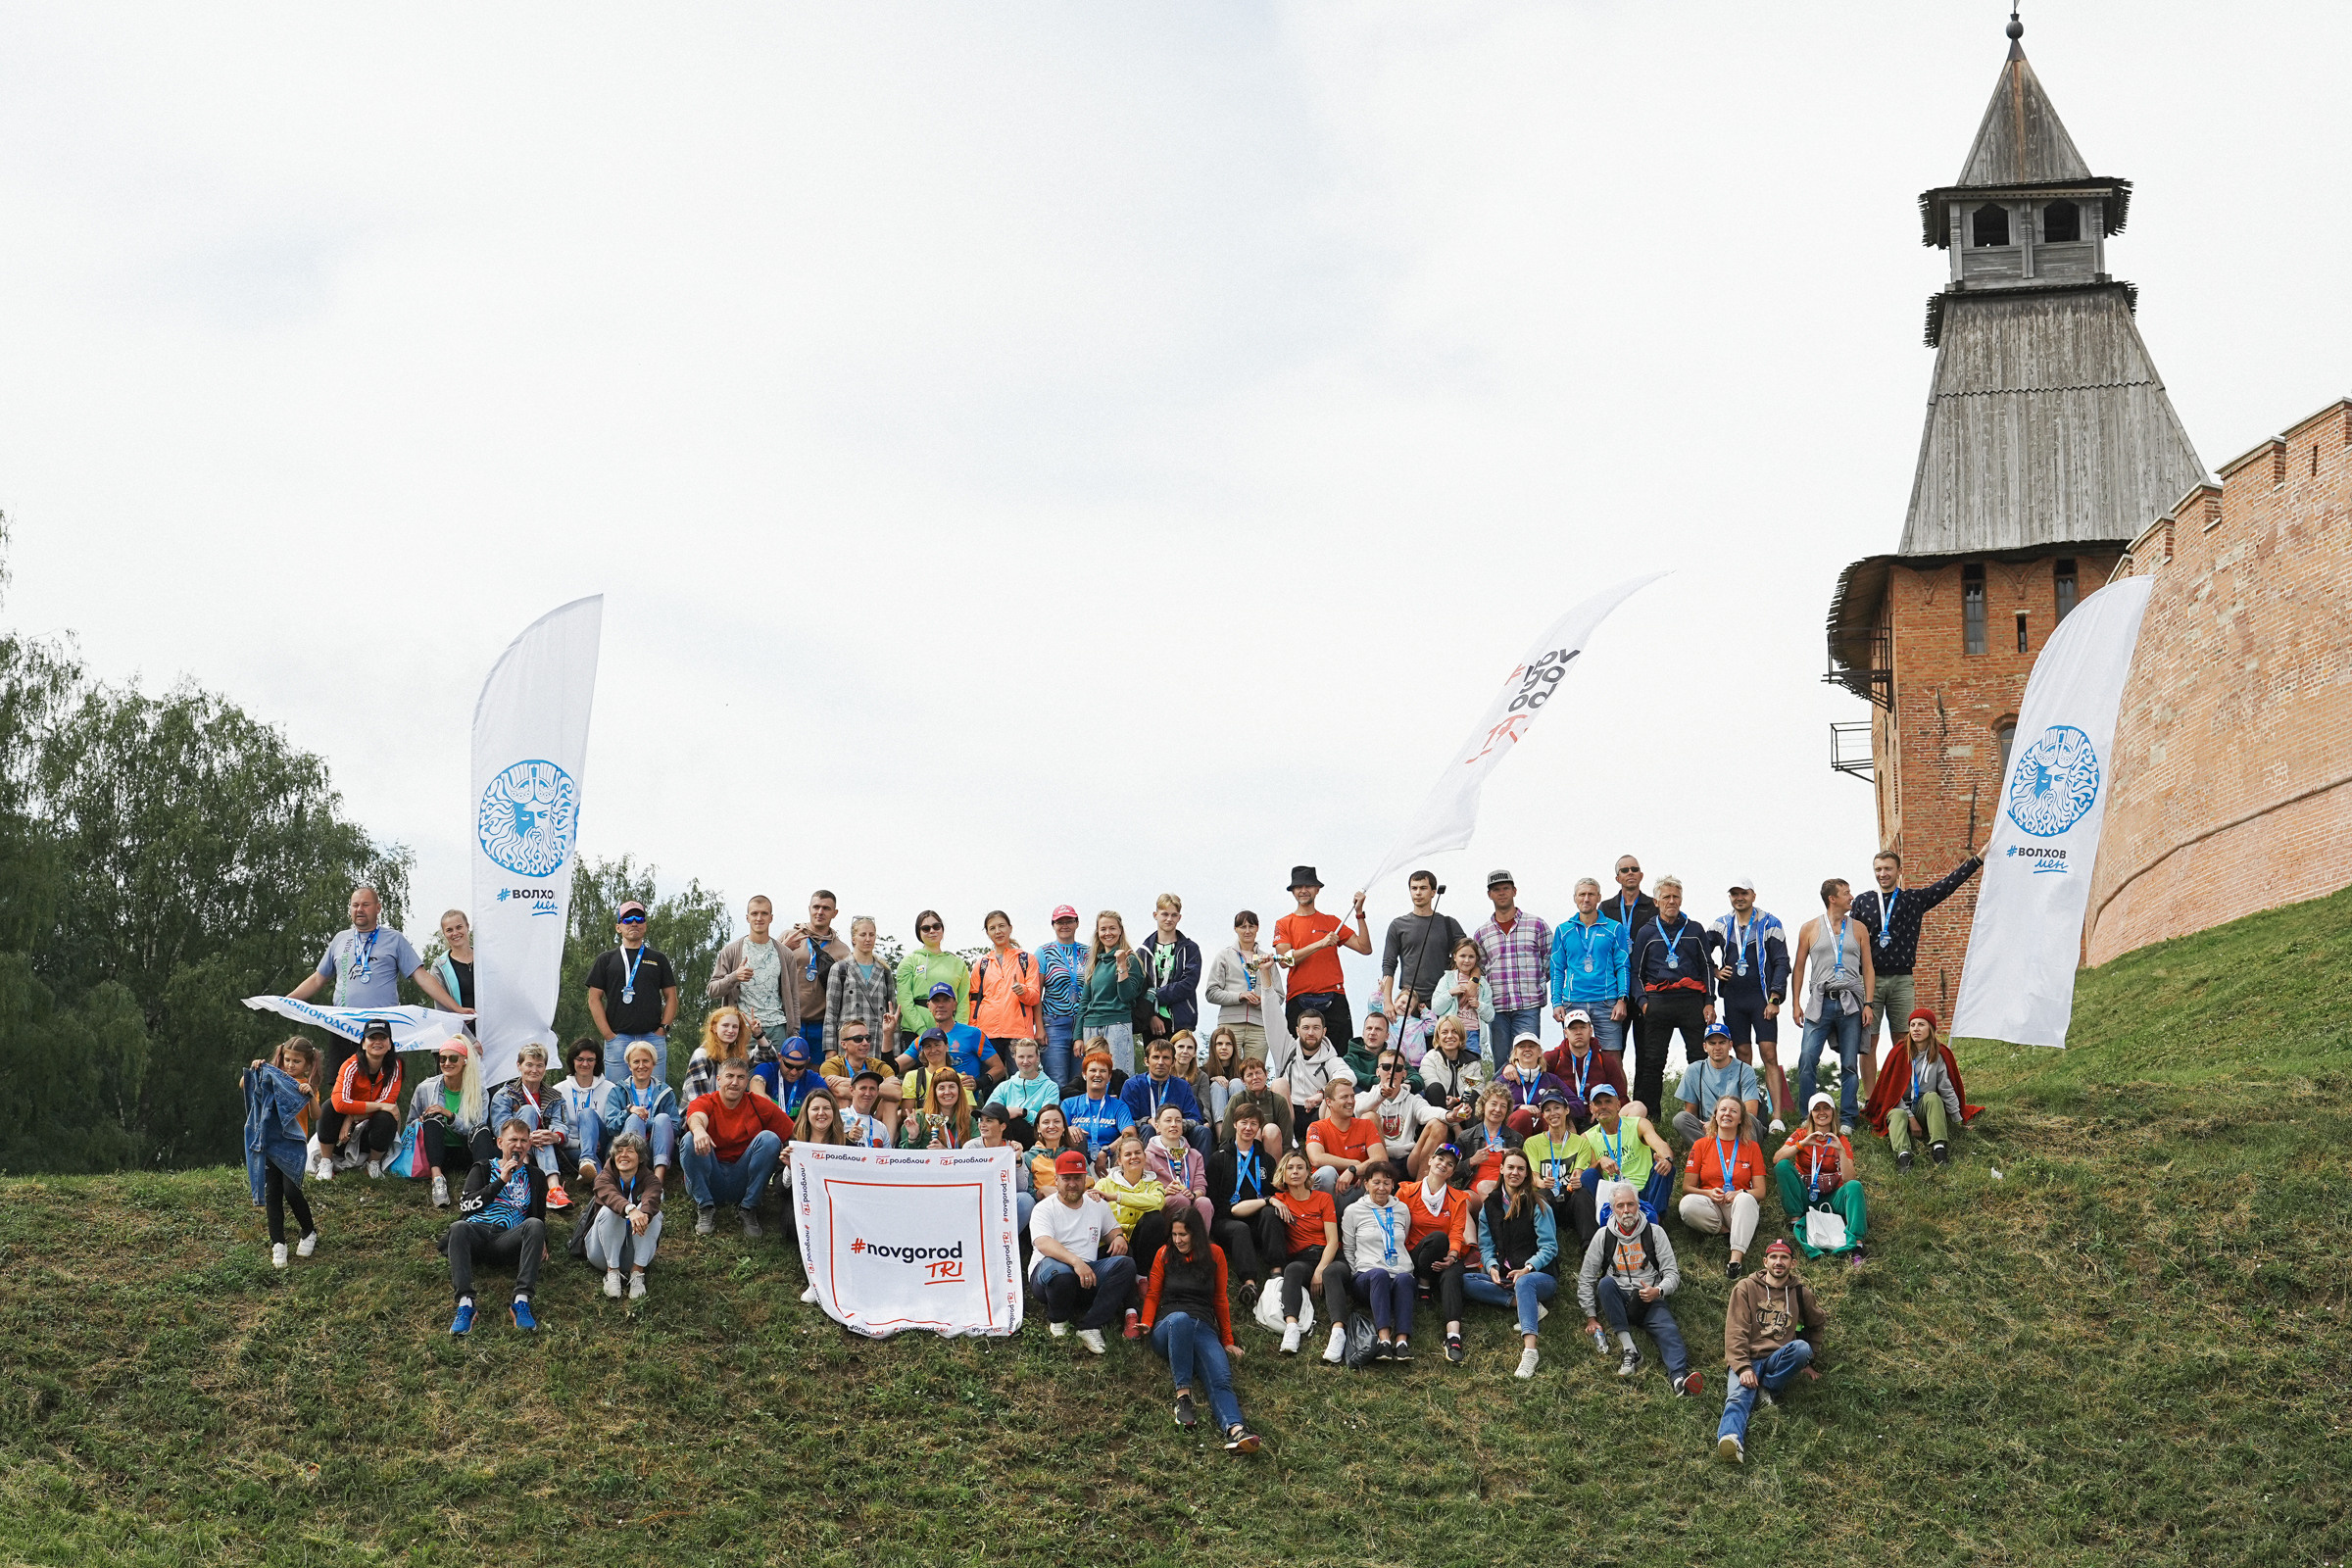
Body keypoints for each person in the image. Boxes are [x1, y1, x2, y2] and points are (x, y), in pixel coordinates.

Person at [285, 886, 466, 1078]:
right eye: (355, 905)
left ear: (378, 908)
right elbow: (317, 979)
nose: (359, 909)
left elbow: (422, 977)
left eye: (365, 904)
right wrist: (286, 1000)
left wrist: (456, 1008)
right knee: (342, 1087)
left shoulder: (394, 939)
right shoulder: (340, 939)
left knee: (382, 1085)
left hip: (381, 1029)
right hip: (343, 1026)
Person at [1853, 846, 1984, 1095]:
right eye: (1878, 869)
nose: (1883, 874)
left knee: (1904, 1041)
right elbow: (1849, 940)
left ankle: (1902, 1095)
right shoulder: (1863, 901)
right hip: (1870, 980)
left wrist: (1977, 859)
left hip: (1902, 980)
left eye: (1888, 869)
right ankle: (1870, 1099)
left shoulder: (1912, 900)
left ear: (1899, 871)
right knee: (1868, 1041)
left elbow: (1947, 885)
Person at [1138, 1209, 1261, 1452]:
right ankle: (1183, 1398)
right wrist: (1147, 1323)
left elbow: (1220, 1299)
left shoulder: (1215, 1255)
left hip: (1203, 1326)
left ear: (1196, 1233)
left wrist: (1227, 1340)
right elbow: (1153, 1294)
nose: (1177, 1240)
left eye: (1183, 1234)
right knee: (1181, 1319)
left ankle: (1237, 1431)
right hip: (1170, 1326)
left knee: (1221, 1377)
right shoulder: (1164, 1254)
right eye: (1173, 1234)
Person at [1577, 1180, 1703, 1394]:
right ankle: (1630, 1350)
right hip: (1616, 1296)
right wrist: (1591, 1316)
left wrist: (1659, 1291)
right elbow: (1586, 1277)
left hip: (1649, 1297)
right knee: (1605, 1283)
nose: (1626, 1210)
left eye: (1630, 1204)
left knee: (1670, 1331)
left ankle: (1679, 1379)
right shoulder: (1602, 1236)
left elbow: (1672, 1273)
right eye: (1620, 1206)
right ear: (1613, 1209)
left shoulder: (1655, 1233)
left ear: (1638, 1205)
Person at [1716, 1238, 1827, 1463]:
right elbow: (1735, 1331)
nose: (1779, 1262)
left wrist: (1809, 1359)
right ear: (1765, 1261)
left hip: (1778, 1357)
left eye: (1784, 1257)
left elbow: (1817, 1322)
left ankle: (1766, 1386)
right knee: (1738, 1397)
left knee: (1801, 1348)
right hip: (1748, 1357)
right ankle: (1731, 1439)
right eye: (1774, 1257)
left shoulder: (1799, 1293)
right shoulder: (1745, 1288)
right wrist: (1743, 1367)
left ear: (1793, 1264)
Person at [442, 1117, 549, 1336]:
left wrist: (541, 1240)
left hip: (507, 1238)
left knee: (536, 1225)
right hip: (477, 1233)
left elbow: (539, 1215)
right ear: (500, 1143)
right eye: (513, 1140)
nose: (518, 1145)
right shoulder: (483, 1167)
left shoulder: (535, 1176)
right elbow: (466, 1204)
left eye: (523, 1140)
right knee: (458, 1227)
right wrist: (500, 1181)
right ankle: (465, 1304)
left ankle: (521, 1300)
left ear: (529, 1145)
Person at [1462, 1150, 1558, 1379]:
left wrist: (1527, 1268)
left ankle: (1530, 1351)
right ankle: (1526, 1305)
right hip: (1505, 1275)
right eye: (1511, 1167)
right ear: (1502, 1170)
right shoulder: (1490, 1205)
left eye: (1520, 1169)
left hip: (1539, 1276)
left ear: (1526, 1174)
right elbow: (1485, 1245)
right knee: (1465, 1280)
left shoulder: (1539, 1205)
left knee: (1524, 1282)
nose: (1515, 1172)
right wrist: (1492, 1266)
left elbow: (1549, 1247)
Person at [1790, 878, 1876, 1134]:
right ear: (1833, 898)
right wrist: (1795, 1003)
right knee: (1807, 1059)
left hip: (1851, 1002)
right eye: (1847, 893)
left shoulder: (1859, 928)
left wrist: (1869, 1003)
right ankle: (1808, 1117)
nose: (1852, 897)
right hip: (1820, 1001)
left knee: (1849, 1063)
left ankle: (1848, 1118)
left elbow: (1869, 968)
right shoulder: (1809, 928)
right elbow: (1799, 967)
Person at [1030, 1150, 1137, 1353]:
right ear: (1056, 1180)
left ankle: (1090, 1325)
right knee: (1061, 1273)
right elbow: (1043, 1243)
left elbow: (1112, 1229)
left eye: (1077, 1178)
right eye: (1066, 1178)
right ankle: (1058, 1319)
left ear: (1085, 1180)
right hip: (1049, 1275)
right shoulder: (1044, 1208)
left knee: (1126, 1263)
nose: (1072, 1183)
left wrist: (1119, 1238)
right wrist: (1076, 1262)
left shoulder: (1097, 1205)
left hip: (1088, 1276)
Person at [1628, 875, 1715, 1120]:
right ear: (1656, 901)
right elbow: (1636, 972)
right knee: (1653, 1061)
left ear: (1682, 899)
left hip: (1691, 1000)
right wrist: (1643, 1002)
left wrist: (1710, 1000)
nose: (1671, 901)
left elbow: (1707, 965)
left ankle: (1702, 1116)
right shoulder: (1647, 931)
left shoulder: (1695, 929)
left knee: (1698, 1059)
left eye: (1676, 896)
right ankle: (1650, 1118)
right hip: (1659, 1001)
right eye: (1666, 897)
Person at [1710, 877, 1793, 1132]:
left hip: (1762, 999)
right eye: (1734, 893)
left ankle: (1777, 1116)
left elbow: (1782, 962)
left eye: (1743, 893)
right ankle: (1746, 1114)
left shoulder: (1770, 923)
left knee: (1769, 1053)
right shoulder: (1721, 924)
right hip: (1734, 999)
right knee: (1743, 1056)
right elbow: (1699, 951)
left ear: (1753, 895)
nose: (1739, 897)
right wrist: (1714, 970)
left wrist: (1775, 997)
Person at [682, 1056, 795, 1238]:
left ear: (747, 1082)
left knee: (770, 1139)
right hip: (711, 1178)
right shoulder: (705, 1101)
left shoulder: (759, 1104)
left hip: (742, 1180)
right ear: (719, 1080)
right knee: (689, 1138)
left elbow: (794, 1132)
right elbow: (696, 1116)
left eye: (741, 1077)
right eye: (729, 1076)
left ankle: (749, 1208)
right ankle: (704, 1206)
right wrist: (699, 1130)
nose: (735, 1082)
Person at [1862, 1007, 1980, 1171]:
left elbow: (1946, 1088)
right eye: (1912, 1024)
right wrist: (1911, 1119)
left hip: (1923, 1106)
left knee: (1933, 1096)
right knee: (1898, 1114)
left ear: (1930, 1028)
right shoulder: (1899, 1052)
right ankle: (1904, 1156)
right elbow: (1891, 1093)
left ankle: (1939, 1149)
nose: (1916, 1028)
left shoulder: (1938, 1054)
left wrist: (1958, 1120)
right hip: (1899, 1106)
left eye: (1921, 1024)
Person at [243, 1039, 321, 1269]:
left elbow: (316, 1115)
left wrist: (309, 1095)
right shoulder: (272, 1077)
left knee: (291, 1190)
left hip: (294, 1149)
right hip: (270, 1144)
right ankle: (278, 1243)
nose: (290, 1065)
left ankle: (309, 1231)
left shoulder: (306, 1085)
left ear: (307, 1064)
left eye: (296, 1061)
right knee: (272, 1194)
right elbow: (244, 1084)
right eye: (287, 1059)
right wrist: (256, 1068)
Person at [586, 901, 680, 1085]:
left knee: (655, 1092)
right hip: (618, 1038)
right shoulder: (606, 959)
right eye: (628, 919)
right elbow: (593, 999)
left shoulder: (658, 959)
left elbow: (671, 997)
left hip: (653, 1036)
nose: (634, 923)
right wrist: (608, 1034)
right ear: (618, 927)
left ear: (645, 925)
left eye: (639, 918)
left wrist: (663, 1029)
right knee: (617, 1093)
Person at [1273, 866, 1369, 1043]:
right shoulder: (1284, 923)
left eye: (1308, 886)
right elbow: (1284, 960)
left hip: (1334, 996)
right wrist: (1320, 943)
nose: (1303, 891)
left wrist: (1359, 913)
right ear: (1293, 891)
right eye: (1298, 887)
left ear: (1317, 889)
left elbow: (1364, 948)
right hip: (1298, 997)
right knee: (1297, 1059)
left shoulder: (1331, 921)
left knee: (1341, 1058)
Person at [1679, 1095, 1769, 1279]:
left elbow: (1760, 1192)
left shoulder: (1751, 1147)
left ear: (1741, 1119)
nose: (1727, 1114)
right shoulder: (1701, 1144)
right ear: (1716, 1115)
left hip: (1737, 1207)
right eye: (1723, 1109)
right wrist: (1708, 1192)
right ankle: (1727, 1232)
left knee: (1746, 1198)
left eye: (1733, 1111)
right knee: (1686, 1204)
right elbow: (1687, 1187)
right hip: (1710, 1205)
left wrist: (1739, 1192)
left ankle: (1735, 1260)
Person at [1399, 1142, 1474, 1363]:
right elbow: (1398, 1228)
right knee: (1437, 1237)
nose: (1444, 1165)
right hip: (1415, 1255)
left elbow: (1457, 1231)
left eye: (1450, 1164)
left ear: (1452, 1171)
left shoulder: (1458, 1198)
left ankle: (1453, 1337)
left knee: (1452, 1275)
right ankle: (1423, 1286)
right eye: (1440, 1159)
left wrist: (1451, 1257)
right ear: (1430, 1160)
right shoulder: (1406, 1191)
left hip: (1445, 1257)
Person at [1265, 1150, 1344, 1359]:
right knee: (1291, 1270)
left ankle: (1338, 1333)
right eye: (1290, 1168)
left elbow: (1333, 1240)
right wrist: (1270, 1201)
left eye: (1300, 1167)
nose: (1295, 1172)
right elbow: (1237, 1210)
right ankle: (1292, 1328)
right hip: (1302, 1258)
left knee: (1332, 1273)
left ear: (1308, 1173)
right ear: (1283, 1173)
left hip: (1330, 1255)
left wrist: (1320, 1270)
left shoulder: (1323, 1199)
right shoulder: (1280, 1199)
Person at [1571, 1083, 1675, 1240]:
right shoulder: (1586, 1137)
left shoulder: (1638, 1124)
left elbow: (1662, 1146)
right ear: (1591, 1109)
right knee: (1589, 1174)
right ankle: (1609, 1223)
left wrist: (1666, 1158)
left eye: (1608, 1101)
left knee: (1665, 1166)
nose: (1603, 1107)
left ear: (1618, 1105)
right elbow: (1587, 1173)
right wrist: (1600, 1161)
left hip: (1642, 1190)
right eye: (1598, 1103)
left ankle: (1654, 1223)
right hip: (1612, 1195)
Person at [1774, 1092, 1868, 1267]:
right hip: (1805, 1197)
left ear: (1833, 1112)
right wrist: (1802, 1144)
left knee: (1855, 1186)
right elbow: (1777, 1158)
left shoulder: (1841, 1139)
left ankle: (1857, 1245)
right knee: (1782, 1166)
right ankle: (1795, 1220)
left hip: (1832, 1198)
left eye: (1826, 1108)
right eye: (1816, 1109)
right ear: (1810, 1114)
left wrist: (1840, 1151)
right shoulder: (1801, 1134)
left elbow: (1850, 1178)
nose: (1821, 1112)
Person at [1336, 1161, 1417, 1359]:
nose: (1382, 1188)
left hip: (1398, 1274)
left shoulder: (1402, 1209)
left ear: (1393, 1185)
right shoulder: (1353, 1211)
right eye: (1376, 1182)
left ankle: (1402, 1342)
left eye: (1387, 1183)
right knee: (1379, 1274)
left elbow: (1403, 1237)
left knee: (1406, 1278)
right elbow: (1348, 1247)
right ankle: (1384, 1340)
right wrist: (1358, 1271)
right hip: (1367, 1278)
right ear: (1366, 1184)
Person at [706, 895, 800, 1061]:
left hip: (777, 1027)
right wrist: (734, 976)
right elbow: (712, 990)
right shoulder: (731, 951)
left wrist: (794, 1032)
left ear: (771, 917)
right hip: (742, 1028)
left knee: (774, 1081)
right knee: (741, 1079)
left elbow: (793, 997)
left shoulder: (785, 954)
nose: (759, 918)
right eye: (754, 913)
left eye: (764, 913)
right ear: (747, 917)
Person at [1550, 877, 1634, 1063]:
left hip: (1606, 1002)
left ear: (1599, 898)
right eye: (1582, 894)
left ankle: (1619, 1094)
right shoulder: (1563, 930)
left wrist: (1622, 999)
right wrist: (1556, 1002)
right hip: (1573, 1001)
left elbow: (1623, 965)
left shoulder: (1614, 928)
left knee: (1612, 1058)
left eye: (1591, 894)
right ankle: (1575, 1094)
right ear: (1575, 898)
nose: (1586, 899)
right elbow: (1557, 968)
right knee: (1574, 1057)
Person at [1473, 868, 1551, 1062]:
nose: (1501, 893)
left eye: (1506, 888)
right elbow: (1481, 969)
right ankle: (1502, 1094)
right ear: (1489, 894)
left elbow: (1550, 960)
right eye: (1496, 889)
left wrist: (1537, 983)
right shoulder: (1482, 933)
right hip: (1498, 1007)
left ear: (1514, 891)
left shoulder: (1537, 925)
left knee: (1527, 1059)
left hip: (1528, 1005)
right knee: (1501, 1061)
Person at [1206, 1104, 1281, 1310]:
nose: (1248, 1128)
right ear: (1235, 1124)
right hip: (1228, 1220)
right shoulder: (1219, 1158)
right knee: (1240, 1229)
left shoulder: (1266, 1159)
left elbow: (1273, 1194)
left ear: (1259, 1128)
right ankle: (1250, 1284)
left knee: (1270, 1211)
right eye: (1244, 1122)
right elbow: (1213, 1199)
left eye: (1253, 1124)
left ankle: (1277, 1273)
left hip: (1259, 1219)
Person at [489, 1044, 576, 1209]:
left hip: (545, 1149)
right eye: (529, 1065)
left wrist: (554, 1136)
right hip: (514, 1148)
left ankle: (554, 1190)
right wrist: (526, 1138)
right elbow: (500, 1128)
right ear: (519, 1066)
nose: (534, 1070)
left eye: (539, 1065)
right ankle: (523, 1176)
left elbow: (562, 1125)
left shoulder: (555, 1096)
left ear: (545, 1068)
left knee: (545, 1136)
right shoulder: (504, 1094)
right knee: (528, 1112)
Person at [408, 1038, 491, 1206]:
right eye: (442, 1058)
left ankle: (482, 1184)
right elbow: (410, 1125)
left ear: (465, 1061)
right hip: (436, 1153)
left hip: (465, 1151)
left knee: (483, 1130)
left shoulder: (479, 1092)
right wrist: (420, 1121)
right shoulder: (425, 1087)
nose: (447, 1063)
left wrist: (451, 1116)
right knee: (432, 1117)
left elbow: (478, 1129)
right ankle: (437, 1179)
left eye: (453, 1058)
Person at [317, 1019, 404, 1180]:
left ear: (390, 1044)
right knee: (329, 1107)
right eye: (372, 1038)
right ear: (363, 1043)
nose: (377, 1042)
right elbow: (340, 1102)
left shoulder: (395, 1066)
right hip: (341, 1136)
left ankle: (373, 1163)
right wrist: (348, 1117)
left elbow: (388, 1102)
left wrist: (352, 1117)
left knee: (387, 1117)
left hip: (368, 1130)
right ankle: (326, 1162)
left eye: (383, 1038)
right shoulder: (350, 1065)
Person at [584, 1130, 662, 1300]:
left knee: (653, 1213)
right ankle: (612, 1273)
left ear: (640, 1158)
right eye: (619, 1151)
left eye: (630, 1151)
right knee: (610, 1209)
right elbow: (610, 1195)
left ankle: (637, 1274)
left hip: (634, 1253)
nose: (623, 1155)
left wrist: (643, 1214)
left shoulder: (651, 1180)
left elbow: (653, 1197)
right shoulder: (603, 1177)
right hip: (602, 1254)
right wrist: (629, 1209)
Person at [1380, 870, 1466, 1018]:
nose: (1418, 893)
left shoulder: (1448, 924)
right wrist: (1387, 1001)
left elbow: (1468, 958)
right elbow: (1389, 964)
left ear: (1433, 892)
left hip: (1442, 998)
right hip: (1408, 1001)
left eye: (1423, 888)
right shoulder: (1398, 925)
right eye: (1414, 888)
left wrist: (1471, 984)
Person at [1078, 911, 1151, 1077]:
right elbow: (1085, 1002)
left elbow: (1127, 996)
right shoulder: (1094, 963)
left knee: (1120, 1076)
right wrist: (1078, 1037)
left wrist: (1121, 966)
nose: (1108, 933)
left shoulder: (1132, 960)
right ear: (1098, 932)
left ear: (1120, 930)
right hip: (1091, 1026)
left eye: (1112, 928)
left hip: (1117, 1024)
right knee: (1093, 1076)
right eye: (1103, 929)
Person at [779, 891, 850, 1055]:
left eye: (826, 908)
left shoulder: (843, 950)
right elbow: (767, 971)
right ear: (809, 908)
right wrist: (784, 949)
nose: (820, 912)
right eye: (816, 907)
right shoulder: (789, 936)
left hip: (821, 1023)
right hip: (789, 1020)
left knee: (816, 1072)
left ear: (835, 913)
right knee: (786, 1067)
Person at [823, 916, 902, 1064]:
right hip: (848, 1045)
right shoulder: (840, 968)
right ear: (854, 939)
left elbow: (893, 1015)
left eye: (871, 935)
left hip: (877, 1044)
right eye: (863, 935)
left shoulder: (884, 971)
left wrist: (895, 1052)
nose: (868, 939)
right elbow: (831, 1014)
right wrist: (830, 1050)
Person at [969, 909, 1043, 1068]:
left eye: (1002, 926)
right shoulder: (981, 964)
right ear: (987, 933)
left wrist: (1022, 990)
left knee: (1021, 1082)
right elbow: (974, 1001)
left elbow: (1035, 996)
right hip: (987, 1033)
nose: (998, 931)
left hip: (1019, 1033)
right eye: (992, 928)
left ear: (1010, 928)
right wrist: (973, 1032)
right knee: (990, 1086)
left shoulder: (1027, 959)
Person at [1202, 910, 1277, 1063]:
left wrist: (1262, 1001)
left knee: (1254, 1074)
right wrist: (1239, 996)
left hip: (1259, 1027)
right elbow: (1211, 992)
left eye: (1251, 926)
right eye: (1243, 927)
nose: (1247, 931)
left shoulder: (1267, 959)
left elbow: (1279, 997)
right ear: (1235, 929)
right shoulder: (1224, 956)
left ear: (1258, 928)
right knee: (1226, 1072)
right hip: (1229, 1025)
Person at [1671, 1023, 1764, 1146]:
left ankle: (1743, 1157)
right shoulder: (1694, 1070)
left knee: (1750, 1119)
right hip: (1708, 1129)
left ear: (1730, 1045)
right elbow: (1690, 1111)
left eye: (1722, 1042)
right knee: (1680, 1119)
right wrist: (1711, 1126)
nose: (1717, 1047)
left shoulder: (1745, 1070)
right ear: (1705, 1047)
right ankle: (1711, 1151)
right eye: (1712, 1043)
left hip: (1738, 1126)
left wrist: (1719, 1123)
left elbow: (1751, 1111)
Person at [1362, 1047, 1446, 1180]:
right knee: (1368, 1116)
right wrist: (1380, 1095)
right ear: (1377, 1072)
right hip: (1380, 1159)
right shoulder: (1365, 1097)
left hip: (1409, 1160)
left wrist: (1449, 1115)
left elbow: (1426, 1112)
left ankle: (1419, 1190)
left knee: (1439, 1125)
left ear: (1404, 1074)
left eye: (1398, 1068)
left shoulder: (1412, 1099)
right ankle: (1379, 1182)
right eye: (1386, 1067)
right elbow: (1359, 1110)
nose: (1391, 1072)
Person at [1122, 1037, 1211, 1159]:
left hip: (1177, 1134)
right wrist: (1147, 1120)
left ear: (1173, 1062)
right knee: (1148, 1129)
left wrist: (1171, 1124)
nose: (1160, 1062)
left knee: (1203, 1131)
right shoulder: (1132, 1085)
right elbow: (1125, 1121)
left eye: (1166, 1058)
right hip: (1146, 1133)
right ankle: (1147, 1175)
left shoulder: (1182, 1086)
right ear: (1146, 1061)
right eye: (1156, 1057)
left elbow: (1196, 1119)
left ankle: (1200, 1175)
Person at [893, 909, 969, 1053]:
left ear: (942, 929)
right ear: (919, 932)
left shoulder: (958, 963)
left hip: (950, 1033)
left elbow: (964, 1000)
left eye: (936, 926)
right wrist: (922, 1030)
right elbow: (904, 999)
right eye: (926, 928)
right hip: (915, 1031)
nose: (932, 931)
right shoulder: (909, 961)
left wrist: (957, 1031)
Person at [1277, 1009, 1356, 1147]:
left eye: (1316, 1028)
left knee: (1332, 1098)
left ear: (1324, 1031)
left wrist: (1322, 1093)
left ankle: (1330, 1149)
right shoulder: (1287, 1050)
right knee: (1279, 1084)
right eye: (1306, 1028)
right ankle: (1286, 1147)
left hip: (1318, 1115)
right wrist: (1266, 988)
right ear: (1297, 1031)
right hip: (1290, 1115)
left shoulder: (1331, 1059)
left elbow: (1349, 1077)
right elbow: (1271, 1016)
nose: (1311, 1033)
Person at [901, 984, 1005, 1087]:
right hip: (931, 1101)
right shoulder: (924, 1040)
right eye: (936, 1000)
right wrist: (888, 1034)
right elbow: (897, 1066)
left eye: (946, 1000)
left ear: (955, 1005)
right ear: (929, 1006)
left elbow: (999, 1068)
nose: (941, 1005)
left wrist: (978, 1083)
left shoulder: (973, 1034)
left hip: (965, 1101)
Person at [1304, 1074, 1384, 1206]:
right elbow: (1316, 1158)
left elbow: (1380, 1158)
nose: (1351, 1101)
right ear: (1329, 1102)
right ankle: (1324, 1222)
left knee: (1375, 1178)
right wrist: (1354, 1164)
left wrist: (1354, 1170)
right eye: (1344, 1097)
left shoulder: (1366, 1125)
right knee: (1327, 1173)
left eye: (1352, 1096)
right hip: (1328, 1194)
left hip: (1356, 1191)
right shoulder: (1316, 1127)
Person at [1542, 1009, 1625, 1130]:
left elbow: (1621, 1097)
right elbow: (1529, 1072)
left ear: (1590, 1030)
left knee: (1638, 1107)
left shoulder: (1604, 1060)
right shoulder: (1554, 1057)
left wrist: (1605, 1112)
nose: (1578, 1032)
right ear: (1565, 1032)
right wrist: (1511, 1066)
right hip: (1566, 1117)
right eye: (1573, 1028)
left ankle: (1620, 1143)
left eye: (1583, 1027)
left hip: (1598, 1116)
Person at [1138, 893, 1202, 1047]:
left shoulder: (1190, 949)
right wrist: (1150, 1015)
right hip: (1151, 1023)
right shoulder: (1143, 951)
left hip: (1181, 1019)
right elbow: (1139, 988)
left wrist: (1155, 996)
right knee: (1156, 1066)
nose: (1169, 919)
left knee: (1180, 1065)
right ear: (1155, 915)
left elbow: (1189, 984)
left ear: (1179, 918)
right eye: (1165, 914)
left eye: (1174, 915)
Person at [1036, 905, 1090, 1090]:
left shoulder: (1088, 952)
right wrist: (1039, 1028)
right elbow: (1037, 993)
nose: (1064, 925)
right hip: (1054, 1023)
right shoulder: (1044, 952)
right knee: (1056, 1081)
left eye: (1069, 921)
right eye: (1060, 922)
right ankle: (1055, 1119)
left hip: (1082, 1023)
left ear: (1077, 923)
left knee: (1080, 1081)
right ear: (1053, 925)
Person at [821, 1016, 904, 1132]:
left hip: (873, 1119)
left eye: (867, 1038)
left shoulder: (878, 1065)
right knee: (845, 1098)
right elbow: (839, 1090)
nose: (865, 1043)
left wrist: (851, 1083)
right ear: (844, 1044)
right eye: (858, 1039)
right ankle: (846, 1140)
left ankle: (886, 1147)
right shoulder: (831, 1064)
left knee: (891, 1100)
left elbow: (896, 1093)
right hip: (842, 1122)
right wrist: (879, 1087)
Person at [554, 1038, 620, 1182]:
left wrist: (594, 1140)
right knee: (568, 1155)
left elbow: (614, 1125)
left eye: (590, 1060)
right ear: (572, 1060)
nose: (585, 1064)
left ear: (597, 1062)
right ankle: (599, 1180)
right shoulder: (558, 1091)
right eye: (580, 1059)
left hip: (603, 1143)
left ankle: (588, 1161)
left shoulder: (611, 1089)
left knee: (587, 1112)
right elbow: (556, 1129)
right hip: (574, 1146)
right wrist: (582, 1144)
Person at [612, 1041, 680, 1181]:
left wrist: (649, 1123)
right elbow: (610, 1127)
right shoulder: (617, 1091)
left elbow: (675, 1126)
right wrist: (629, 1111)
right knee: (635, 1118)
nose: (641, 1066)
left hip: (658, 1148)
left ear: (654, 1064)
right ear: (629, 1065)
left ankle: (657, 1182)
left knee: (662, 1118)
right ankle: (633, 1181)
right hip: (626, 1150)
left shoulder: (665, 1092)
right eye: (636, 1061)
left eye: (646, 1061)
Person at [1522, 1091, 1585, 1239]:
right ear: (1543, 1115)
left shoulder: (1581, 1142)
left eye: (1557, 1108)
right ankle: (1545, 1245)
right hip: (1547, 1198)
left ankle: (1589, 1246)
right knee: (1542, 1194)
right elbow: (1533, 1178)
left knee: (1582, 1195)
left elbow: (1578, 1173)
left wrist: (1577, 1181)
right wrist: (1543, 1183)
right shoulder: (1532, 1143)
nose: (1553, 1113)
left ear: (1566, 1110)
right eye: (1547, 1110)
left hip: (1570, 1198)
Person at [1428, 937, 1496, 1068]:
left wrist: (1479, 1005)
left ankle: (1470, 1090)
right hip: (1451, 1032)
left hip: (1472, 1033)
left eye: (1471, 956)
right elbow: (1436, 1008)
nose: (1466, 960)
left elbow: (1490, 1016)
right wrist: (1451, 992)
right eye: (1462, 956)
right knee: (1448, 1066)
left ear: (1476, 959)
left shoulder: (1483, 984)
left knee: (1472, 1068)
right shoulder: (1447, 979)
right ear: (1454, 957)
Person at [1146, 1103, 1212, 1240]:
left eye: (1178, 1120)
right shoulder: (1148, 1156)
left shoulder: (1195, 1155)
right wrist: (1164, 1191)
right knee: (1179, 1199)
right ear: (1157, 1126)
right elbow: (1145, 1188)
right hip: (1164, 1203)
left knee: (1204, 1202)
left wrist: (1193, 1194)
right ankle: (1172, 1244)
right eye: (1168, 1120)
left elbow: (1201, 1186)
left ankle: (1199, 1248)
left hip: (1189, 1201)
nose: (1174, 1124)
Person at [1061, 1049, 1136, 1166]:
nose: (1097, 1074)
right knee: (1076, 1136)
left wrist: (1106, 1151)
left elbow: (1130, 1134)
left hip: (1109, 1160)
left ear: (1109, 1076)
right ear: (1084, 1074)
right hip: (1076, 1161)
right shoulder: (1069, 1104)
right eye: (1093, 1070)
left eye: (1103, 1071)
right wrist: (1067, 1130)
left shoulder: (1118, 1106)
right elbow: (1057, 1132)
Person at [986, 1039, 1062, 1148]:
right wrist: (1004, 1113)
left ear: (1038, 1058)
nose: (1025, 1062)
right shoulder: (1005, 1086)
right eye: (1021, 1057)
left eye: (1030, 1056)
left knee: (1018, 1122)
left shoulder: (1050, 1087)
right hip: (1006, 1140)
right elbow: (987, 1113)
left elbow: (1048, 1120)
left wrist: (1023, 1112)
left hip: (1036, 1138)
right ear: (1014, 1057)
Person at [681, 1006, 763, 1105]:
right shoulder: (702, 1055)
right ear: (714, 1028)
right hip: (700, 1116)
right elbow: (699, 1100)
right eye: (725, 1025)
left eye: (735, 1027)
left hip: (727, 1114)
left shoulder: (737, 1055)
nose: (730, 1030)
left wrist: (758, 1034)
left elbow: (768, 1056)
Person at [1494, 1031, 1571, 1137]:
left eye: (1531, 1046)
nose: (1527, 1049)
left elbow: (1577, 1104)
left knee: (1550, 1115)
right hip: (1513, 1134)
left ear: (1539, 1052)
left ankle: (1554, 1151)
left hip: (1543, 1131)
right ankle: (1513, 1152)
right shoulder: (1504, 1080)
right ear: (1515, 1054)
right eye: (1522, 1046)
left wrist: (1554, 1107)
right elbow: (1490, 1106)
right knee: (1522, 1116)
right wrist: (1519, 1108)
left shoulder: (1551, 1079)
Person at [1454, 1083, 1520, 1204]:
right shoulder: (1467, 1137)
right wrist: (1472, 1161)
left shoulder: (1516, 1138)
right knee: (1462, 1203)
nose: (1498, 1110)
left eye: (1503, 1106)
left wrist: (1514, 1159)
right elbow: (1452, 1172)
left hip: (1506, 1192)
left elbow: (1525, 1172)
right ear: (1483, 1106)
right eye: (1493, 1104)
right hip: (1475, 1192)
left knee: (1486, 1187)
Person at [1414, 1015, 1489, 1115]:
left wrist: (1457, 1100)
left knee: (1473, 1095)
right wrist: (1454, 1124)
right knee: (1435, 1088)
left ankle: (1471, 1131)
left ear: (1461, 1036)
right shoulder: (1430, 1059)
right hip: (1438, 1115)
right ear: (1438, 1037)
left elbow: (1478, 1090)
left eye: (1455, 1032)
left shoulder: (1473, 1062)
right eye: (1444, 1032)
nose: (1449, 1036)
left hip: (1465, 1115)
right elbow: (1433, 1093)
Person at [1219, 1055, 1290, 1159]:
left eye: (1258, 1073)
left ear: (1266, 1075)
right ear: (1243, 1080)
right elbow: (1227, 1136)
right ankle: (1249, 1170)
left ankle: (1273, 1173)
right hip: (1241, 1155)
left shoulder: (1278, 1101)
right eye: (1249, 1075)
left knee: (1271, 1129)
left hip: (1272, 1152)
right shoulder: (1237, 1099)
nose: (1255, 1078)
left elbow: (1287, 1139)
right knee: (1253, 1131)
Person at [899, 1068, 976, 1150]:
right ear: (934, 1093)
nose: (947, 1092)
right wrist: (912, 1138)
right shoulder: (919, 1118)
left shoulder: (968, 1119)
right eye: (941, 1088)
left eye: (952, 1087)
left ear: (959, 1091)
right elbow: (903, 1158)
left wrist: (945, 1151)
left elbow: (978, 1153)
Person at [429, 908, 476, 1016]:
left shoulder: (484, 959)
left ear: (467, 927)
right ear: (444, 933)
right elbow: (441, 1004)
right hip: (460, 1030)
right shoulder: (439, 967)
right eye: (449, 930)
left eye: (459, 927)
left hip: (492, 1028)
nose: (455, 933)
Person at [1199, 1026, 1245, 1127]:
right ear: (1213, 1047)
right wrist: (1212, 1079)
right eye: (1219, 1044)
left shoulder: (1244, 1069)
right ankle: (1221, 1138)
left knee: (1236, 1082)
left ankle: (1239, 1132)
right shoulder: (1203, 1072)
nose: (1224, 1047)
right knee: (1216, 1086)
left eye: (1228, 1044)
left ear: (1234, 1047)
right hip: (1214, 1122)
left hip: (1242, 1121)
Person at [841, 1069, 895, 1150]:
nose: (868, 1093)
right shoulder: (838, 1117)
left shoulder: (881, 1127)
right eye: (863, 1088)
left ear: (877, 1093)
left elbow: (888, 1158)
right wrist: (847, 1138)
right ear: (852, 1090)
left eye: (872, 1089)